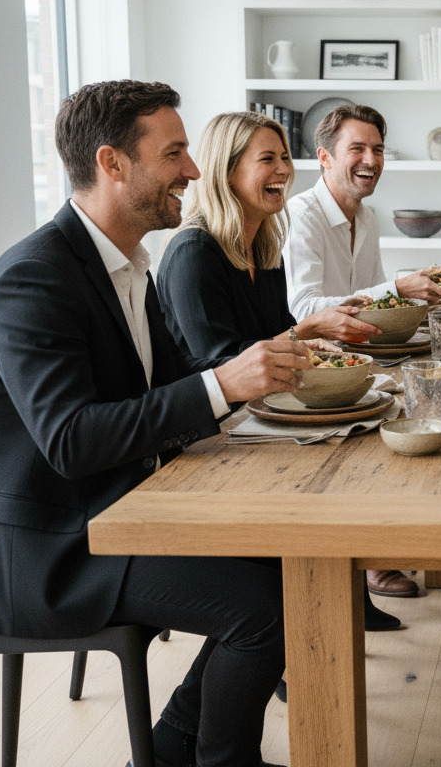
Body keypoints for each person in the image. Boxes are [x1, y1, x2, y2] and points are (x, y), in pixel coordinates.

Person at [0, 80, 315, 767]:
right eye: (174, 152)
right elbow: (72, 441)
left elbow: (172, 386)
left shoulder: (128, 266)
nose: (193, 170)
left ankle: (174, 745)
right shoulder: (32, 279)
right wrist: (223, 383)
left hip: (117, 512)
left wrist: (250, 382)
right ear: (111, 163)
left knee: (291, 560)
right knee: (266, 611)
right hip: (47, 552)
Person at [157, 110, 418, 611]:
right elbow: (221, 369)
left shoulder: (263, 245)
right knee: (350, 452)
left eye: (283, 158)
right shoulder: (195, 252)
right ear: (227, 170)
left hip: (260, 413)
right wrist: (306, 334)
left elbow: (279, 330)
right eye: (267, 159)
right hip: (211, 440)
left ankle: (345, 593)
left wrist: (317, 348)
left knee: (372, 429)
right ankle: (320, 611)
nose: (283, 170)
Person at [284, 103, 441, 319]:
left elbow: (379, 303)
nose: (371, 160)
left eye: (378, 150)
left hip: (363, 340)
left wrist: (424, 299)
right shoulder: (301, 216)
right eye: (357, 149)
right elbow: (302, 310)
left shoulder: (367, 218)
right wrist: (398, 289)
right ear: (324, 157)